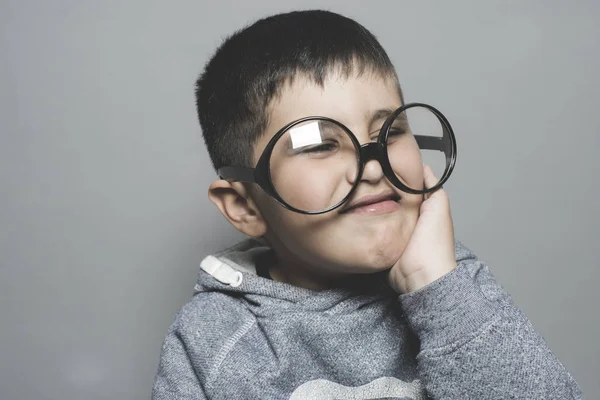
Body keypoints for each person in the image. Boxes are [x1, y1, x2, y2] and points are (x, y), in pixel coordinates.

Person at [152, 10, 583, 399]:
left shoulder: (455, 282)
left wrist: (433, 285)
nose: (372, 168)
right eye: (321, 145)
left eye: (389, 133)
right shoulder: (215, 340)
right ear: (244, 207)